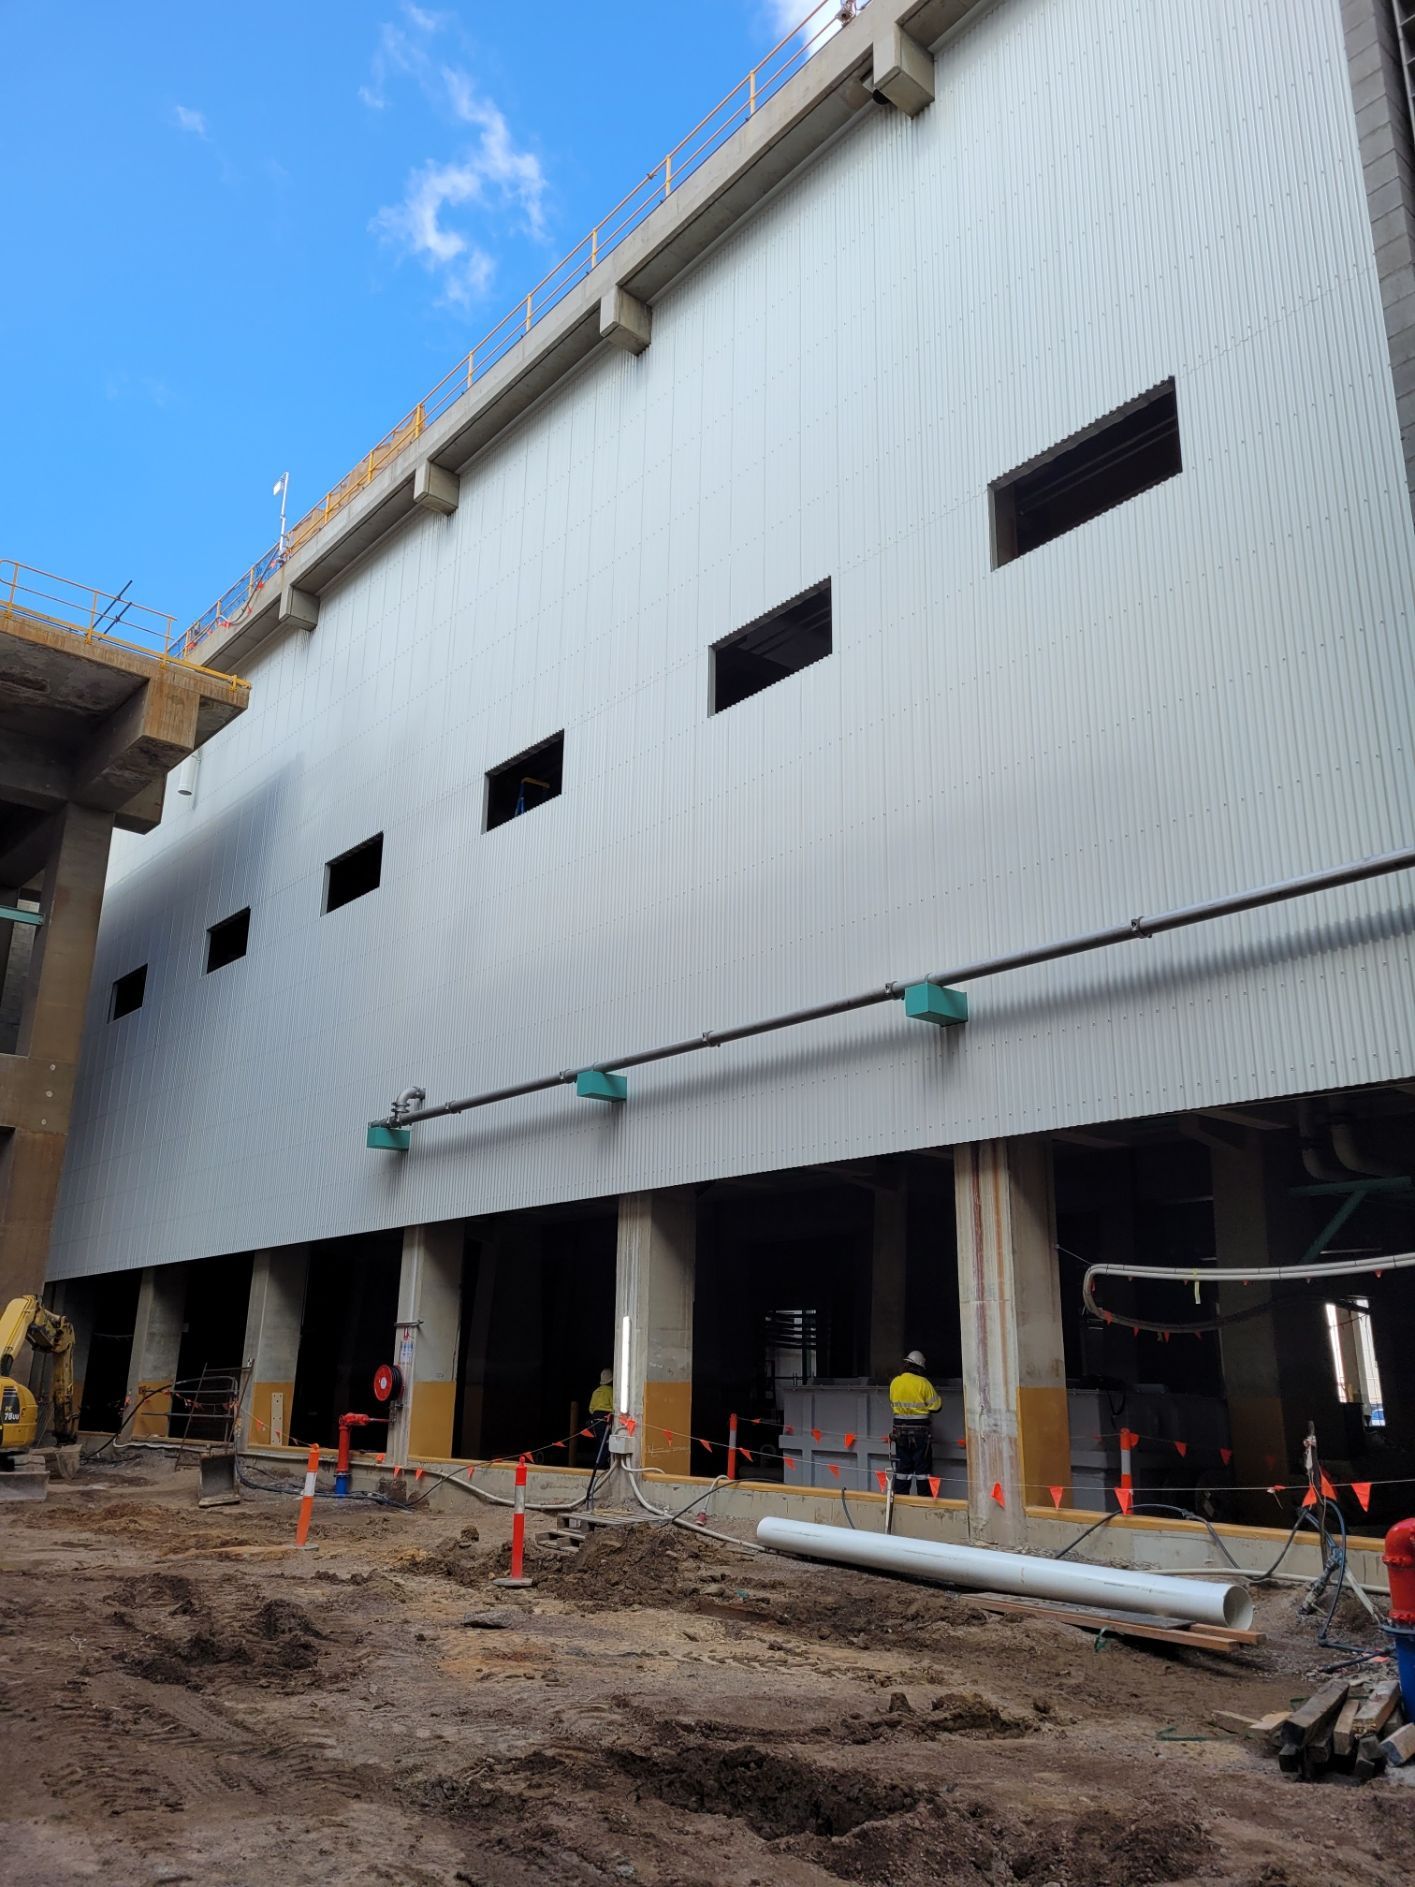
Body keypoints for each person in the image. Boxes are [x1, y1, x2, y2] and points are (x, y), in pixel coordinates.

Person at [888, 1348, 942, 1497]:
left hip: (900, 1433)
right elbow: (936, 1406)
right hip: (920, 1434)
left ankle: (900, 1500)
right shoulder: (924, 1383)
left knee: (902, 1469)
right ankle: (923, 1504)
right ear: (920, 1367)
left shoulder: (895, 1382)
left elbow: (892, 1403)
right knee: (923, 1470)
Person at [587, 1367, 615, 1469]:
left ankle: (599, 1462)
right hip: (605, 1418)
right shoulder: (611, 1391)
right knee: (606, 1442)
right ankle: (601, 1464)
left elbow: (591, 1409)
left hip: (595, 1419)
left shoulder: (595, 1392)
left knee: (600, 1441)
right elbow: (614, 1407)